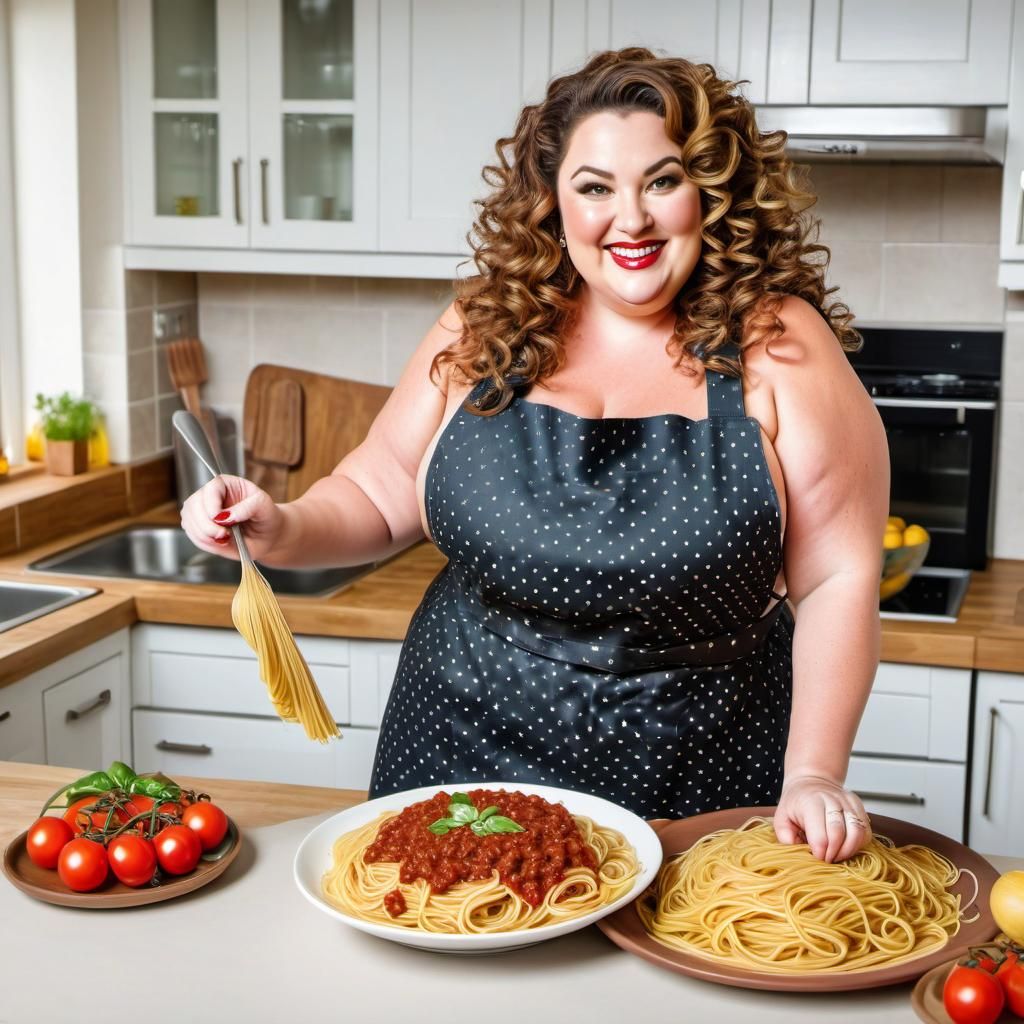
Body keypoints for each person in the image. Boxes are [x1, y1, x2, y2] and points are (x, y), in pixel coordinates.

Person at [181, 48, 889, 864]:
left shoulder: (779, 347)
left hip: (697, 770)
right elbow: (380, 493)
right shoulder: (487, 323)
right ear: (553, 202)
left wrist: (813, 771)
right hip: (460, 748)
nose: (630, 220)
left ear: (712, 192)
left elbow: (838, 578)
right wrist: (281, 525)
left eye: (662, 181)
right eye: (595, 188)